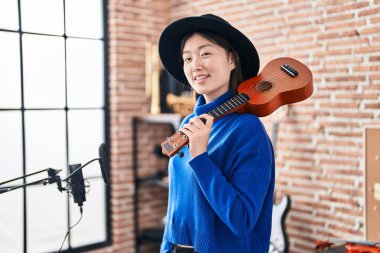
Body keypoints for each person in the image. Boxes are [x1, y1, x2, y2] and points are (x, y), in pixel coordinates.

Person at [158, 14, 275, 253]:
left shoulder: (247, 129)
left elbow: (241, 220)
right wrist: (166, 248)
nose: (195, 65)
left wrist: (200, 156)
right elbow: (177, 205)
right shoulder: (189, 123)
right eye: (187, 58)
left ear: (232, 59)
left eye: (205, 53)